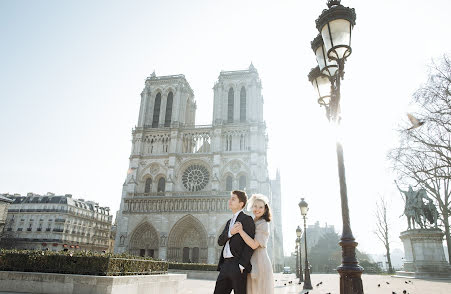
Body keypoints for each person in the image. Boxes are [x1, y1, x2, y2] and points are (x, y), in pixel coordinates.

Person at [214, 190, 256, 294]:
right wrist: (230, 233)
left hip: (237, 265)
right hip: (225, 265)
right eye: (230, 199)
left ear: (241, 204)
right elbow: (220, 241)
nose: (230, 201)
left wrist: (241, 265)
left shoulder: (247, 219)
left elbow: (249, 245)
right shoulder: (229, 222)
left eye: (233, 199)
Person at [231, 194, 274, 294]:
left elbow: (254, 245)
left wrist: (241, 231)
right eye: (255, 206)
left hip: (259, 262)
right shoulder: (254, 221)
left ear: (265, 209)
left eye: (260, 207)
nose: (257, 209)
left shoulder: (263, 223)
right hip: (251, 262)